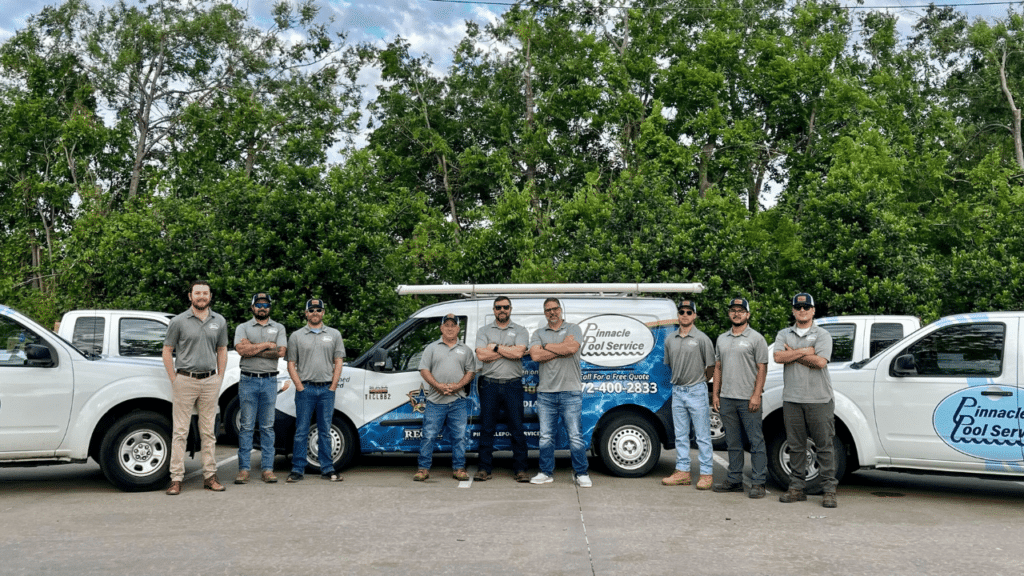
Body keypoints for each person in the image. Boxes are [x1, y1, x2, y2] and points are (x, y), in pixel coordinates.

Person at [162, 280, 229, 495]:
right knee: (180, 431)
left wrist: (219, 378)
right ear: (190, 296)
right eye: (197, 293)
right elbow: (167, 351)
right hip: (185, 380)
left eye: (205, 293)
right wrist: (174, 379)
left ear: (210, 296)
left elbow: (222, 350)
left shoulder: (219, 321)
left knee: (208, 432)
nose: (201, 296)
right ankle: (176, 479)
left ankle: (210, 476)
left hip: (210, 382)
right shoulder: (179, 321)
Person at [773, 293, 838, 508]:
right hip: (792, 398)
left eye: (806, 307)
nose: (802, 311)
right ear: (793, 310)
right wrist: (804, 352)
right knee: (796, 446)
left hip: (819, 399)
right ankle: (796, 488)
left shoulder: (823, 334)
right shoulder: (784, 334)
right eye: (798, 307)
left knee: (824, 445)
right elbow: (777, 357)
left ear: (813, 311)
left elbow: (820, 362)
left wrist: (794, 353)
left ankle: (829, 490)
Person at [528, 298, 591, 487]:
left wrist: (547, 346)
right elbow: (535, 355)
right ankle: (546, 472)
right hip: (546, 393)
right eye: (548, 310)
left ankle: (581, 473)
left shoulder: (573, 329)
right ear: (544, 313)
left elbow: (572, 348)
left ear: (560, 310)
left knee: (575, 435)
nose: (552, 312)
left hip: (570, 391)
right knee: (546, 436)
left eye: (555, 309)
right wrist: (559, 348)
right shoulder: (538, 333)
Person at [712, 297, 769, 498]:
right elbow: (718, 367)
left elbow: (762, 368)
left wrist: (756, 395)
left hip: (748, 400)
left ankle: (759, 483)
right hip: (727, 398)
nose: (737, 313)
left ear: (748, 314)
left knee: (755, 442)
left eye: (740, 310)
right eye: (733, 310)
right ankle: (734, 480)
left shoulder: (756, 338)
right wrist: (716, 394)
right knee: (733, 443)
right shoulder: (722, 339)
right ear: (729, 314)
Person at [286, 299, 345, 483]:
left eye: (318, 309)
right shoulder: (296, 336)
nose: (315, 313)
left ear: (323, 313)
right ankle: (297, 469)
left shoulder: (334, 335)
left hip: (327, 390)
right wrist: (300, 387)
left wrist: (333, 386)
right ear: (306, 313)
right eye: (311, 310)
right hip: (306, 389)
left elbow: (338, 362)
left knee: (325, 431)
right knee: (302, 430)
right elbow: (291, 364)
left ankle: (328, 469)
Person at [474, 296, 531, 483]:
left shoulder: (520, 330)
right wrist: (508, 351)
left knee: (516, 427)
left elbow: (519, 353)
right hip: (489, 385)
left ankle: (521, 469)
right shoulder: (483, 330)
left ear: (511, 309)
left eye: (505, 307)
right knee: (487, 428)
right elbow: (482, 355)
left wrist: (496, 348)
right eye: (498, 307)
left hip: (513, 385)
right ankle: (484, 468)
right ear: (494, 310)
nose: (502, 310)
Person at [661, 299, 716, 490]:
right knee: (681, 435)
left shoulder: (702, 339)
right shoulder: (670, 340)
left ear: (695, 315)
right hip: (678, 391)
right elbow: (669, 365)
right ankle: (683, 472)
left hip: (696, 391)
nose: (685, 315)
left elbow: (711, 367)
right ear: (678, 315)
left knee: (702, 436)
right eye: (682, 312)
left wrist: (699, 381)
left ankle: (706, 474)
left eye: (688, 312)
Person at [233, 292, 287, 485]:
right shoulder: (243, 327)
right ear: (253, 307)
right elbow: (241, 350)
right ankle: (244, 470)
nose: (262, 308)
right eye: (259, 305)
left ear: (270, 308)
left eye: (265, 305)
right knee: (246, 426)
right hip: (248, 380)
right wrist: (265, 345)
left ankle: (267, 469)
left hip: (269, 382)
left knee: (267, 427)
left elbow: (280, 352)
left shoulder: (279, 327)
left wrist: (253, 349)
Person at [414, 313, 476, 482]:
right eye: (446, 325)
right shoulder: (431, 348)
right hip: (435, 401)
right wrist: (438, 386)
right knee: (428, 436)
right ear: (441, 328)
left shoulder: (466, 350)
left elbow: (471, 372)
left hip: (458, 401)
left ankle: (459, 468)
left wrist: (457, 386)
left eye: (453, 325)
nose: (450, 328)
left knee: (459, 437)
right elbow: (424, 370)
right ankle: (423, 469)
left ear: (458, 328)